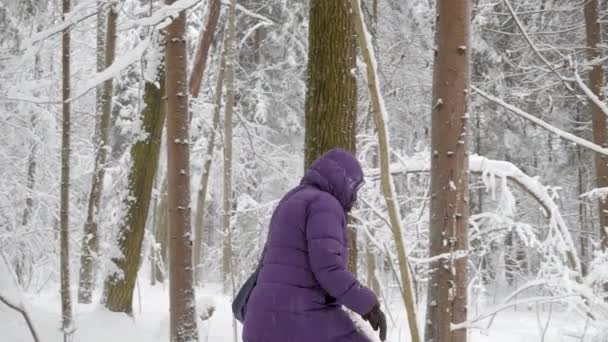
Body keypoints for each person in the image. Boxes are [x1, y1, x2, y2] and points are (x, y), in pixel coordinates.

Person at [243, 148, 387, 342]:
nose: (354, 198)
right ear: (341, 180)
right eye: (353, 187)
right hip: (298, 316)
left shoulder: (291, 199)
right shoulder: (325, 204)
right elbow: (328, 268)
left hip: (261, 319)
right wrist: (368, 306)